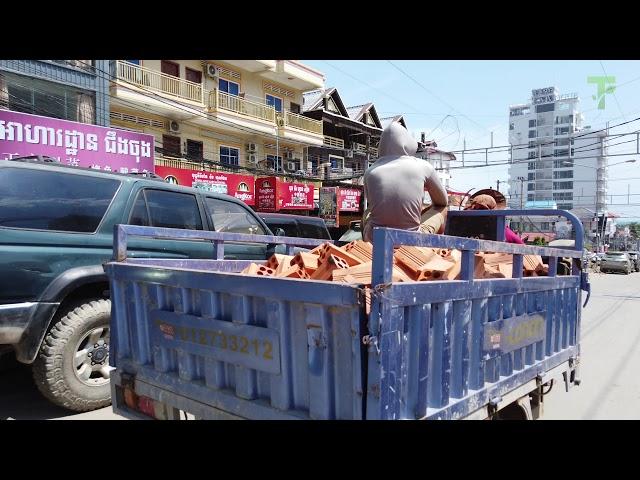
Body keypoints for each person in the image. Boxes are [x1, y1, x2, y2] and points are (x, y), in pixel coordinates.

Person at [362, 123, 448, 242]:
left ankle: (367, 240)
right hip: (412, 239)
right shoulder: (424, 166)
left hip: (376, 238)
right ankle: (433, 244)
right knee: (442, 208)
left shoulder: (370, 171)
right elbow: (442, 201)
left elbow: (374, 203)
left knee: (368, 211)